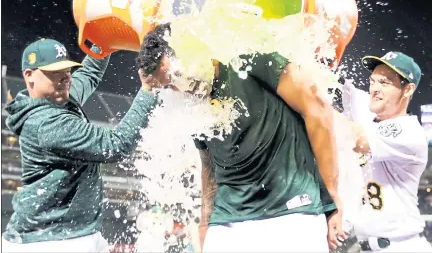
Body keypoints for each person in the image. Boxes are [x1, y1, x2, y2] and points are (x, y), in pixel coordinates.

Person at [136, 24, 348, 252]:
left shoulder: (247, 56)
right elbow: (208, 162)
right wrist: (206, 222)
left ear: (193, 50)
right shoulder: (191, 101)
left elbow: (317, 108)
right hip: (227, 220)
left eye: (176, 75)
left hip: (291, 210)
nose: (178, 88)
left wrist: (332, 193)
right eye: (168, 86)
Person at [1, 38, 169, 253]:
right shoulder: (47, 123)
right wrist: (149, 88)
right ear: (29, 75)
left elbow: (89, 72)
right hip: (49, 241)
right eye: (54, 72)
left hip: (70, 232)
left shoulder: (58, 97)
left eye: (66, 70)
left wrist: (105, 38)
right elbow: (116, 145)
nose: (64, 78)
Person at [341, 51, 431, 252]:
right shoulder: (369, 110)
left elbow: (357, 140)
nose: (375, 89)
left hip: (401, 246)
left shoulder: (408, 131)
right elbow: (331, 82)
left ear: (407, 89)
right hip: (364, 246)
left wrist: (318, 112)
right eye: (373, 81)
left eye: (385, 83)